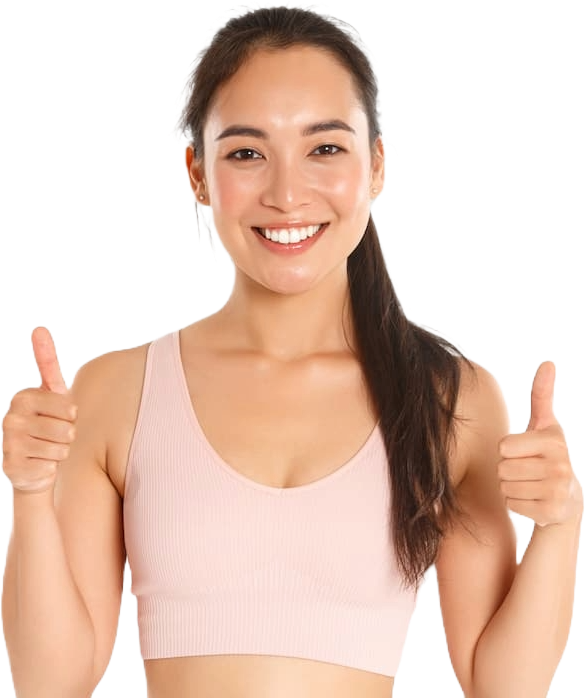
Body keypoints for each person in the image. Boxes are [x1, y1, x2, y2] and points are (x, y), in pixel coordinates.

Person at [1, 2, 583, 696]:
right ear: (197, 172)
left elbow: (501, 686)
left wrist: (560, 525)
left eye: (324, 149)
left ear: (375, 166)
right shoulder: (116, 391)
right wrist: (30, 495)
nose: (285, 194)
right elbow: (52, 683)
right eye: (247, 153)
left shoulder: (448, 398)